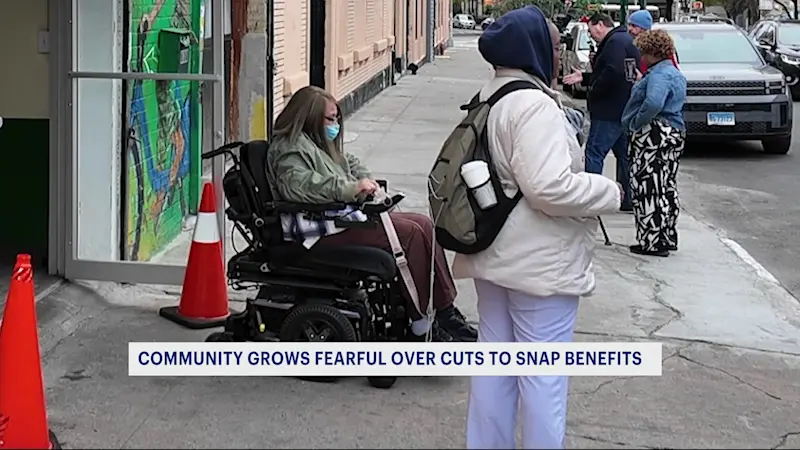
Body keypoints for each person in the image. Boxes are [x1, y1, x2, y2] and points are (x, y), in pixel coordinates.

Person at [458, 6, 623, 449]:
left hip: (495, 252)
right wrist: (610, 192)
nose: (559, 53)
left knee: (494, 370)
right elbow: (548, 187)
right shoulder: (533, 105)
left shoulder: (491, 95)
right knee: (543, 379)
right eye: (554, 44)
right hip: (538, 265)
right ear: (532, 48)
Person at [265, 85, 478, 342]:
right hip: (315, 231)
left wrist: (365, 180)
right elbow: (301, 186)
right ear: (310, 118)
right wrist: (350, 189)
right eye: (330, 119)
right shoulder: (290, 149)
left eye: (337, 118)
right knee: (410, 234)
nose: (335, 125)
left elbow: (349, 163)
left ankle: (444, 312)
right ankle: (422, 322)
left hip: (334, 220)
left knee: (424, 224)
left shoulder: (317, 144)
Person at [563, 12, 641, 213]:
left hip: (608, 109)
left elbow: (613, 71)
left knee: (594, 152)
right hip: (623, 108)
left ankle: (593, 197)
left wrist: (594, 87)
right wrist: (586, 77)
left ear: (600, 25)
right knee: (624, 155)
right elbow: (619, 72)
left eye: (591, 30)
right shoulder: (625, 40)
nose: (591, 35)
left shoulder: (614, 43)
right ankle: (628, 198)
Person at [621, 29, 687, 257]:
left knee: (648, 186)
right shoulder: (674, 73)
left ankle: (652, 241)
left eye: (643, 52)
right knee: (666, 185)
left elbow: (653, 103)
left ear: (652, 52)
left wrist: (636, 123)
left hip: (654, 134)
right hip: (673, 132)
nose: (641, 57)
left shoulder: (659, 75)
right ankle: (666, 236)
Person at [627, 10, 679, 77]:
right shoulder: (630, 44)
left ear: (643, 28)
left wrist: (642, 79)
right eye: (629, 25)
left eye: (634, 26)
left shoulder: (659, 45)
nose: (630, 29)